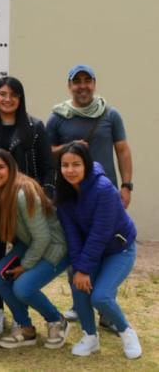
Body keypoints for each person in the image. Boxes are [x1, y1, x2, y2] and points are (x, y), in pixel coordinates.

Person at [0, 76, 54, 333]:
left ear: (20, 99)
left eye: (13, 95)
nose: (7, 99)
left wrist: (45, 197)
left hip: (24, 206)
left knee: (21, 258)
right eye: (2, 94)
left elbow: (49, 168)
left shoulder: (35, 126)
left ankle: (21, 315)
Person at [0, 149, 70, 349]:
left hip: (56, 247)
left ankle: (56, 321)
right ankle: (25, 328)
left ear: (11, 169)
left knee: (23, 287)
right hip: (31, 244)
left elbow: (43, 236)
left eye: (0, 167)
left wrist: (25, 266)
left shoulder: (23, 192)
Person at [55, 143, 140, 359]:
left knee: (100, 297)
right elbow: (72, 236)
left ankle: (126, 331)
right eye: (65, 165)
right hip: (92, 250)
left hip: (118, 249)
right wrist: (79, 269)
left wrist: (84, 268)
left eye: (76, 164)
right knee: (78, 285)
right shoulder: (64, 194)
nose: (70, 170)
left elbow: (100, 233)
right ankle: (90, 337)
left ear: (87, 165)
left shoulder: (104, 189)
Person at [47, 65, 132, 206]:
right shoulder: (57, 117)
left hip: (105, 193)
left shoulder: (110, 115)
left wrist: (126, 186)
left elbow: (123, 151)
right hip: (70, 196)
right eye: (77, 81)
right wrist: (69, 147)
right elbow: (46, 153)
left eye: (87, 81)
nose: (83, 86)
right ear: (69, 86)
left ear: (94, 84)